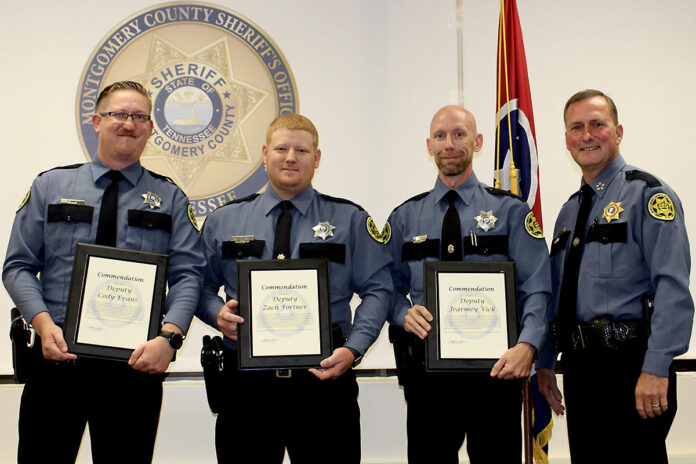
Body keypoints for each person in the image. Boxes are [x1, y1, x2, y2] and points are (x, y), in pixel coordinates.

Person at [3, 81, 204, 463]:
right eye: (119, 115)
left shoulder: (171, 198)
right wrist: (43, 325)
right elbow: (18, 266)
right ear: (97, 121)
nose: (129, 124)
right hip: (58, 359)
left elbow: (188, 275)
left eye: (139, 117)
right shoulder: (50, 186)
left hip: (135, 365)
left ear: (149, 128)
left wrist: (169, 339)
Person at [195, 113, 392, 463]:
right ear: (264, 153)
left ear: (316, 158)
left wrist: (354, 349)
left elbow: (378, 291)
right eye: (282, 148)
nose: (290, 157)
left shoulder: (350, 219)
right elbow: (198, 284)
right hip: (246, 385)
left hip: (325, 379)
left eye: (301, 150)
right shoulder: (224, 220)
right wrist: (217, 314)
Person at [536, 89, 695, 463]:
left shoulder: (648, 195)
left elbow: (672, 288)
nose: (586, 135)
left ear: (618, 132)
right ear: (566, 140)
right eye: (576, 127)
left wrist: (656, 369)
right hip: (581, 370)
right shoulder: (568, 213)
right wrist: (545, 361)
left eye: (597, 124)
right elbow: (555, 295)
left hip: (633, 367)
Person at [387, 105, 551, 463]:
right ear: (428, 145)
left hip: (496, 373)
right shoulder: (404, 217)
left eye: (459, 135)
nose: (450, 144)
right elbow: (386, 287)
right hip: (428, 378)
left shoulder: (511, 212)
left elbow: (537, 287)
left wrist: (528, 345)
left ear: (477, 142)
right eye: (441, 136)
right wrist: (402, 313)